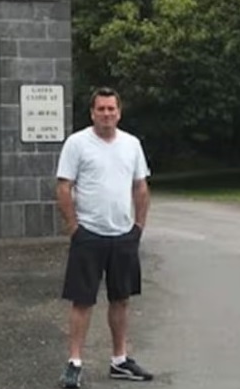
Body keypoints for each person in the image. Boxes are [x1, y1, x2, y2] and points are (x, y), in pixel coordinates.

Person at [55, 87, 153, 388]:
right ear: (92, 112)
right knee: (82, 300)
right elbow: (63, 186)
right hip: (89, 235)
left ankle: (120, 360)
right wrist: (74, 227)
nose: (107, 114)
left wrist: (138, 227)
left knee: (121, 299)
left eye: (112, 109)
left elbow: (140, 186)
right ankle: (74, 363)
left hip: (123, 235)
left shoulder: (131, 144)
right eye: (101, 109)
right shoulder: (77, 144)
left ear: (119, 112)